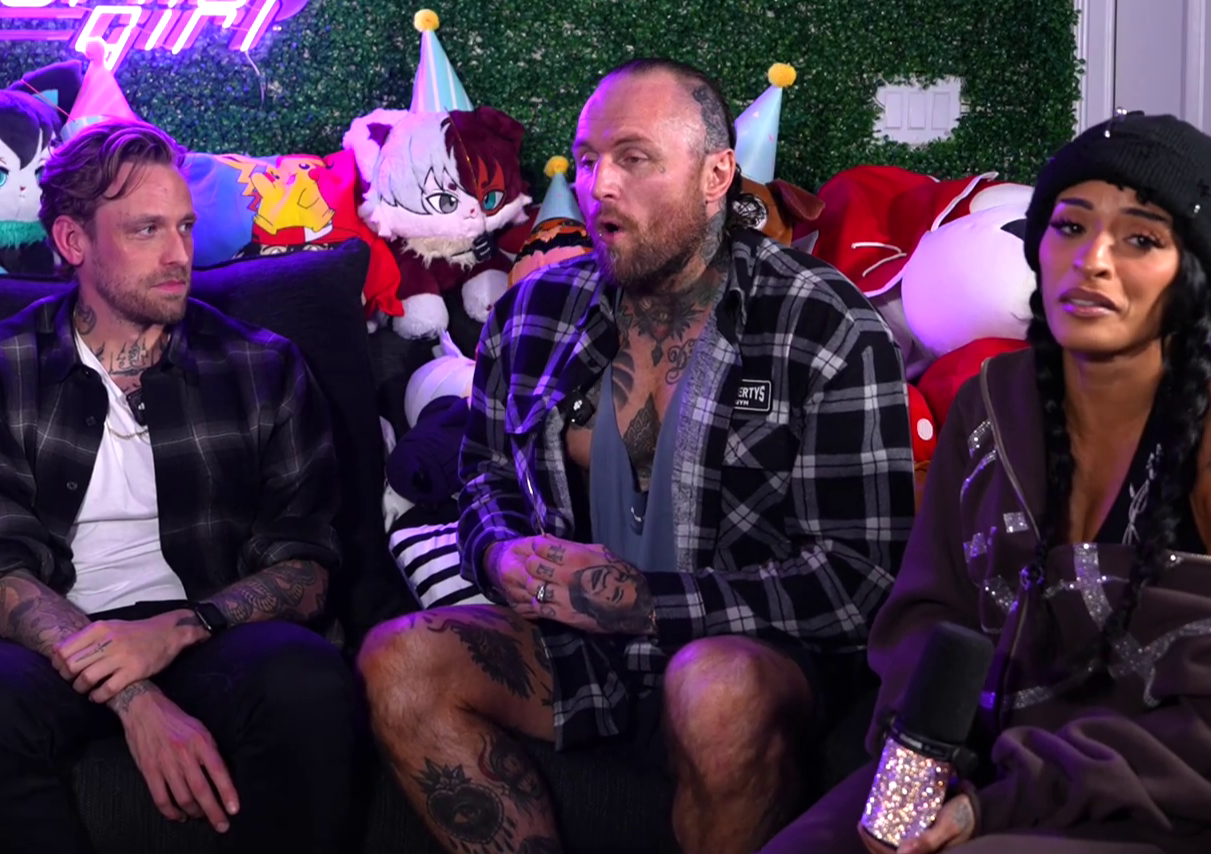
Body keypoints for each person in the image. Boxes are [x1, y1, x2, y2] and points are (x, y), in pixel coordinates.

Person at [359, 59, 918, 854]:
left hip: (750, 652)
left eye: (634, 158)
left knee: (713, 687)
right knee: (399, 661)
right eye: (588, 160)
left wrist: (647, 602)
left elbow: (861, 579)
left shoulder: (824, 323)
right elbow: (484, 475)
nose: (600, 186)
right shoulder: (535, 308)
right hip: (575, 644)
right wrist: (501, 554)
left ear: (716, 175)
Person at [762, 113, 1211, 854]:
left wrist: (988, 811)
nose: (1092, 260)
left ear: (1198, 273)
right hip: (985, 765)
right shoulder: (987, 405)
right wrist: (919, 769)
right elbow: (929, 613)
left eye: (1141, 240)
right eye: (1070, 227)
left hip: (1183, 799)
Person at [0, 119, 361, 852]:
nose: (179, 254)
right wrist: (133, 695)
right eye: (147, 230)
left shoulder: (263, 366)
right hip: (50, 641)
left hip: (209, 627)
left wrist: (179, 629)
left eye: (184, 227)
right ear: (73, 241)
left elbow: (306, 571)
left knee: (306, 682)